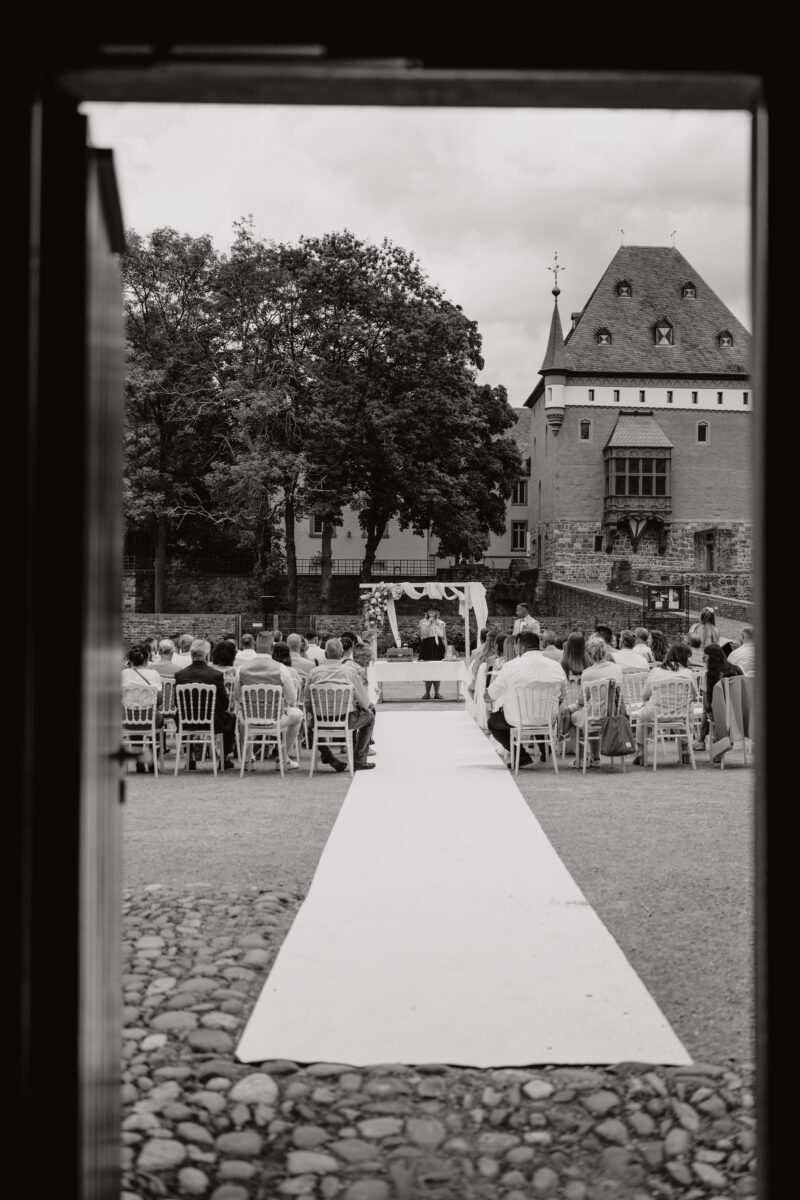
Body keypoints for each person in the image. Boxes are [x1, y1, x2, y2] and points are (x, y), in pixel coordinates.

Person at [485, 631, 566, 768]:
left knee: (493, 722)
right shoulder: (555, 666)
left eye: (516, 646)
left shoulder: (511, 667)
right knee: (538, 710)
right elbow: (563, 695)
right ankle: (545, 752)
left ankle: (521, 755)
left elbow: (490, 696)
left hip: (517, 718)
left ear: (521, 647)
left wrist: (487, 695)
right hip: (548, 718)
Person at [235, 632, 304, 770]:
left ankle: (248, 759)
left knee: (241, 715)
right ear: (272, 648)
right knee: (297, 714)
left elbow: (237, 698)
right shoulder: (281, 669)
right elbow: (292, 699)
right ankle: (283, 758)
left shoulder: (241, 669)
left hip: (250, 719)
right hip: (275, 719)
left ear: (255, 645)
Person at [306, 638, 376, 772]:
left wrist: (317, 714)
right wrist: (367, 708)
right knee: (370, 718)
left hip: (320, 720)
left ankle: (327, 755)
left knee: (311, 725)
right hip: (346, 720)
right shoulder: (349, 672)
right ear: (342, 652)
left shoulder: (314, 672)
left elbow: (307, 701)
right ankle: (359, 760)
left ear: (326, 654)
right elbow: (364, 701)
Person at [174, 639, 237, 771]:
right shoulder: (216, 675)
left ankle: (190, 758)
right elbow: (224, 702)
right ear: (207, 656)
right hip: (212, 721)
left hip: (186, 721)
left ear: (191, 655)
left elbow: (177, 702)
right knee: (231, 717)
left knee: (179, 714)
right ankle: (224, 758)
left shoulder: (180, 675)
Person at [632, 642, 696, 765]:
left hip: (655, 713)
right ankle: (685, 748)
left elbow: (644, 696)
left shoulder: (656, 671)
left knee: (641, 718)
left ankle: (641, 750)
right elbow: (693, 697)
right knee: (688, 710)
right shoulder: (688, 673)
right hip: (680, 714)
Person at [567, 635, 624, 767]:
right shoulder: (616, 669)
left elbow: (581, 700)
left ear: (588, 654)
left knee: (575, 717)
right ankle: (595, 757)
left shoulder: (588, 673)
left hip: (594, 715)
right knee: (590, 712)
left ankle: (581, 759)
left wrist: (573, 707)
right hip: (612, 714)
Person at [695, 643, 744, 756]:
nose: (703, 658)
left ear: (711, 658)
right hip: (739, 714)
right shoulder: (737, 670)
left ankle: (702, 741)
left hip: (719, 715)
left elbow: (707, 705)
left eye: (705, 656)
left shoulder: (709, 675)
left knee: (707, 710)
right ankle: (708, 743)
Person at [418, 605, 447, 700]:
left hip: (438, 647)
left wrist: (446, 651)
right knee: (427, 669)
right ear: (426, 612)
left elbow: (443, 637)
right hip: (427, 646)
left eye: (433, 610)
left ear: (436, 612)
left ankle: (437, 693)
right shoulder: (423, 622)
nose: (431, 612)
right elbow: (424, 635)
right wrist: (429, 623)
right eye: (429, 610)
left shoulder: (441, 623)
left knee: (437, 669)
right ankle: (427, 693)